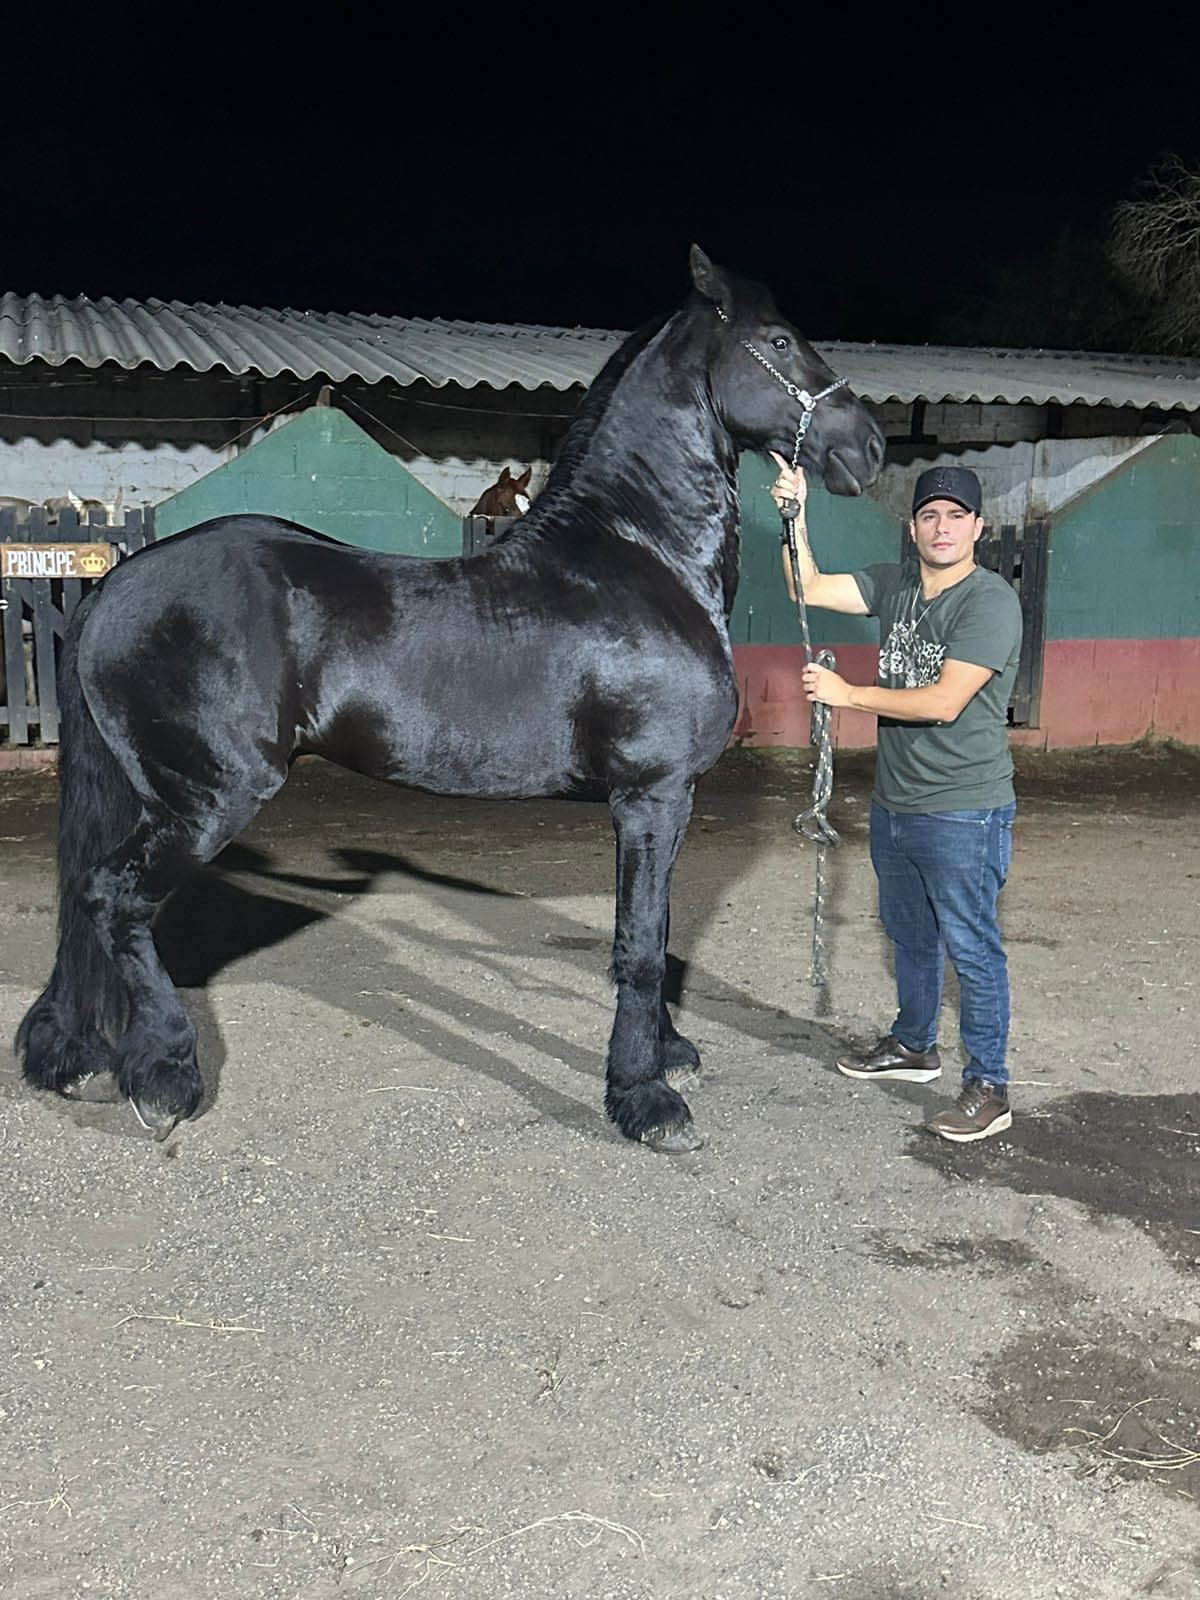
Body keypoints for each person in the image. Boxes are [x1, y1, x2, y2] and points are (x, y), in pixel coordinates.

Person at [769, 457, 1022, 1142]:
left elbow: (943, 703)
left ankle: (990, 1086)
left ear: (977, 528)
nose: (942, 527)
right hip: (898, 802)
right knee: (909, 933)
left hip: (964, 808)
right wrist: (794, 516)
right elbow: (807, 585)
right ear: (912, 528)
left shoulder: (989, 600)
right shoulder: (897, 584)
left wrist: (848, 696)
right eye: (930, 515)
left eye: (956, 516)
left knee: (972, 947)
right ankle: (914, 1046)